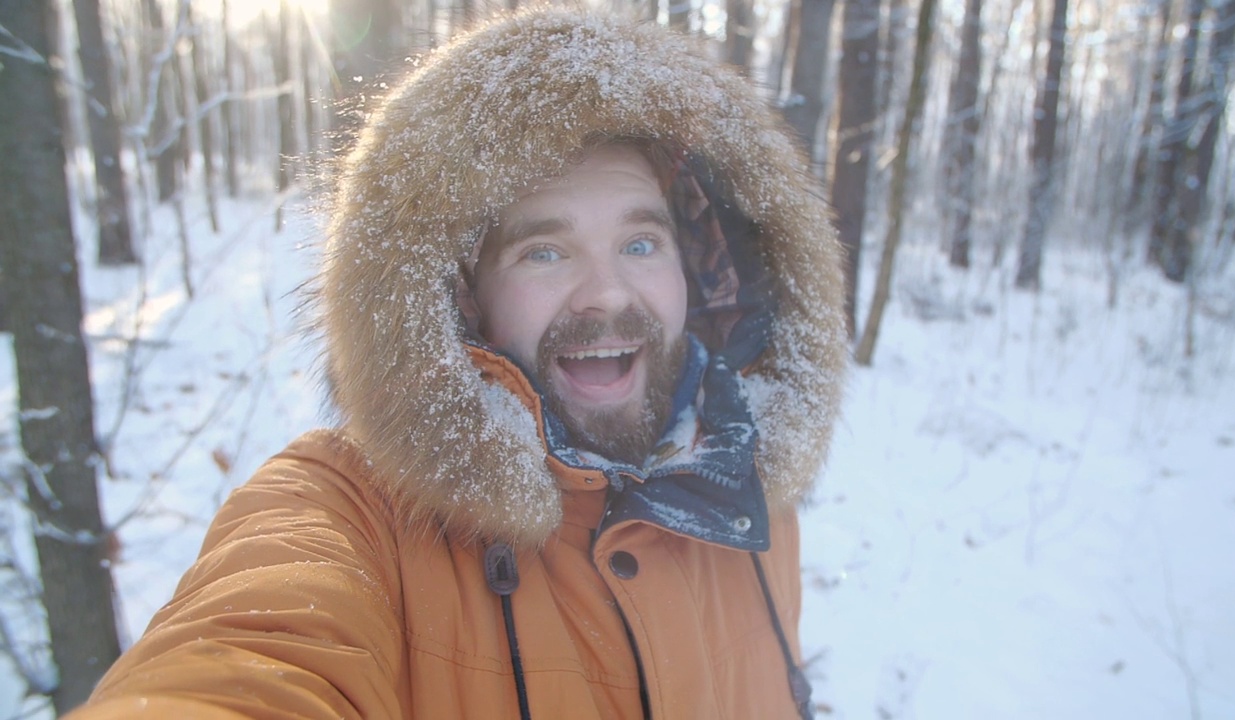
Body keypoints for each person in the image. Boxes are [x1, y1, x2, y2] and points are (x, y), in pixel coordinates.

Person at [65, 7, 848, 719]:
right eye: (544, 251)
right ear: (464, 297)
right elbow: (243, 660)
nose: (606, 293)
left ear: (702, 275)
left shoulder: (748, 489)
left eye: (641, 243)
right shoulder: (353, 513)